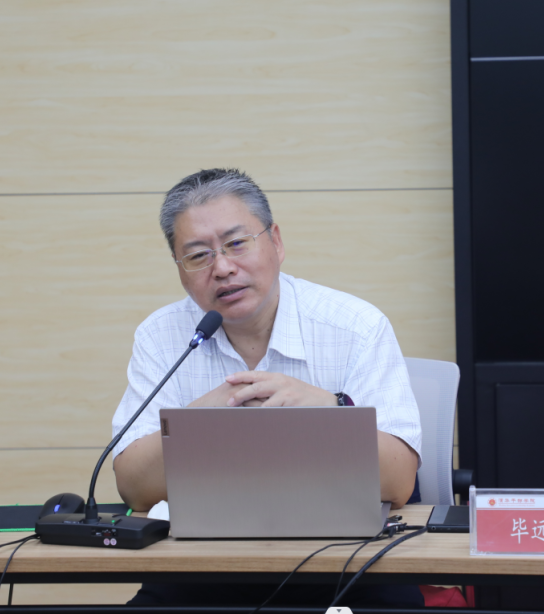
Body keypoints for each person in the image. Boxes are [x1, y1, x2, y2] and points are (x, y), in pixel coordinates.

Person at [112, 168, 424, 609]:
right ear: (180, 269)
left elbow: (399, 481)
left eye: (237, 243)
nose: (223, 268)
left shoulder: (356, 327)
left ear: (275, 242)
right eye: (198, 255)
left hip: (347, 565)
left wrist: (329, 409)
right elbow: (133, 488)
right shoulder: (161, 337)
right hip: (202, 569)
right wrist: (199, 420)